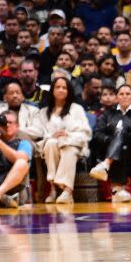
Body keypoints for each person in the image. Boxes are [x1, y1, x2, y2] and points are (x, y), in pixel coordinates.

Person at [89, 85, 131, 203]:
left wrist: (124, 135)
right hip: (113, 149)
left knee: (122, 134)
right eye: (121, 94)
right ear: (117, 97)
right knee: (121, 147)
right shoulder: (107, 114)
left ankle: (106, 166)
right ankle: (118, 189)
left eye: (128, 94)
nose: (124, 96)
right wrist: (112, 140)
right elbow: (98, 133)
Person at [37, 76, 92, 204]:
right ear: (52, 90)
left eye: (64, 87)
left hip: (74, 144)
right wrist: (53, 137)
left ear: (69, 91)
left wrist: (67, 135)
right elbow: (41, 134)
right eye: (58, 87)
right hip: (52, 145)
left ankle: (67, 191)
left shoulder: (76, 108)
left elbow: (85, 132)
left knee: (68, 149)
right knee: (51, 143)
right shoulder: (43, 112)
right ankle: (54, 189)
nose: (61, 90)